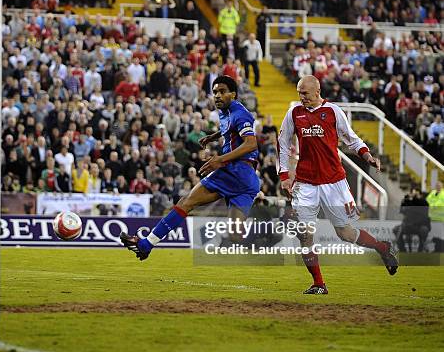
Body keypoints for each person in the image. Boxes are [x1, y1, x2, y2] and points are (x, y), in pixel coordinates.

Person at [277, 75, 398, 294]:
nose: (301, 97)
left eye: (305, 93)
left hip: (334, 182)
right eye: (299, 93)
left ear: (317, 91)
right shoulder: (294, 113)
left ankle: (382, 247)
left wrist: (368, 156)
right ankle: (319, 283)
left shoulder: (333, 111)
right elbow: (283, 144)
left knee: (345, 234)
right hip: (306, 183)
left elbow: (352, 138)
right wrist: (284, 175)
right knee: (304, 233)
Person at [120, 75, 260, 260]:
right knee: (235, 235)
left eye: (222, 92)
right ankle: (274, 235)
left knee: (186, 203)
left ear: (233, 94)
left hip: (235, 171)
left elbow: (251, 144)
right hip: (246, 178)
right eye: (215, 92)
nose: (217, 95)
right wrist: (214, 136)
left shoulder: (239, 113)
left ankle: (145, 244)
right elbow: (231, 129)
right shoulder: (226, 112)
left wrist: (220, 160)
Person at [395, 188, 431, 252]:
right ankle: (403, 250)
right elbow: (402, 210)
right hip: (409, 225)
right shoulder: (409, 202)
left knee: (424, 230)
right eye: (413, 194)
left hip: (420, 225)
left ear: (420, 196)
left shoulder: (424, 203)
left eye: (416, 195)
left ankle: (421, 249)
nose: (415, 196)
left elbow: (424, 216)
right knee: (396, 229)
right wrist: (406, 199)